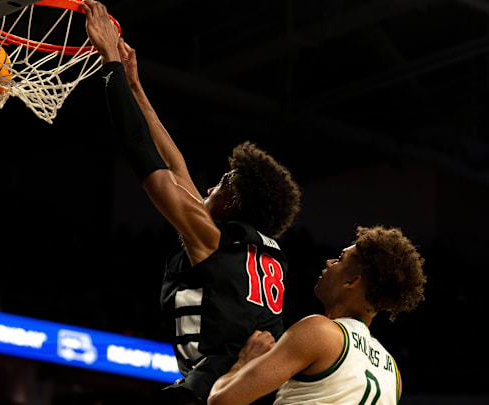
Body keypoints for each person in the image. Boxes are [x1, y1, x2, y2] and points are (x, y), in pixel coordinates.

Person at [81, 1, 302, 403]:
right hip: (252, 379)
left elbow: (141, 153)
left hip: (222, 379)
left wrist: (110, 61)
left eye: (220, 183)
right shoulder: (250, 249)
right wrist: (135, 87)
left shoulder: (213, 239)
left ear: (234, 202)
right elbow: (175, 164)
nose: (207, 189)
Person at [208, 226, 427, 405]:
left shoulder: (320, 332)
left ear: (352, 281)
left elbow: (221, 400)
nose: (329, 263)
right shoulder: (393, 373)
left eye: (340, 259)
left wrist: (244, 362)